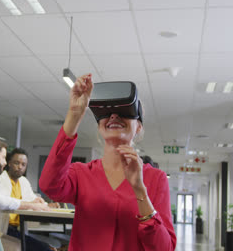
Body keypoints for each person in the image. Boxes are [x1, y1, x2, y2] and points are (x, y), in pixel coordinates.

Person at [39, 74, 176, 251]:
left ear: (139, 127)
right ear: (99, 125)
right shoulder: (82, 173)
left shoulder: (156, 179)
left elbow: (164, 248)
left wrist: (140, 191)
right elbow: (49, 186)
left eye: (124, 112)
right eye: (106, 113)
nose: (113, 116)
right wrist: (74, 114)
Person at [0, 148, 59, 251]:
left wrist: (47, 205)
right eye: (17, 163)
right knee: (44, 248)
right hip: (3, 228)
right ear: (9, 163)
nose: (20, 167)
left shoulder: (24, 182)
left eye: (23, 164)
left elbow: (33, 199)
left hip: (18, 228)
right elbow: (3, 202)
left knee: (46, 247)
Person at [0, 140, 49, 212]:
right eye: (3, 157)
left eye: (23, 164)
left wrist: (32, 203)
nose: (5, 162)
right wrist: (32, 206)